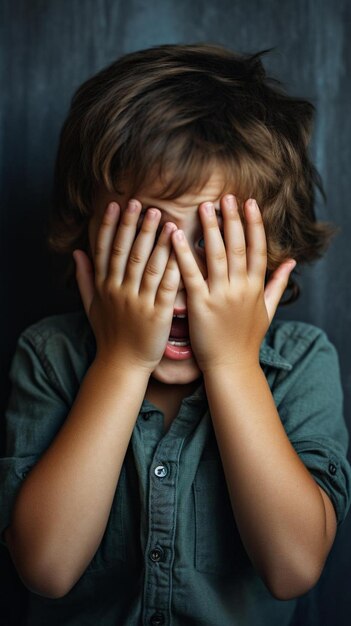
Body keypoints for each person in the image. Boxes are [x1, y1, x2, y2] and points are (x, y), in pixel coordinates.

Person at [0, 43, 350, 626]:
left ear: (272, 252)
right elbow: (46, 567)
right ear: (88, 238)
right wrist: (121, 361)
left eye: (216, 245)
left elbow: (293, 568)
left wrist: (234, 364)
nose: (181, 280)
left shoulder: (302, 363)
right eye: (149, 242)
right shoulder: (50, 355)